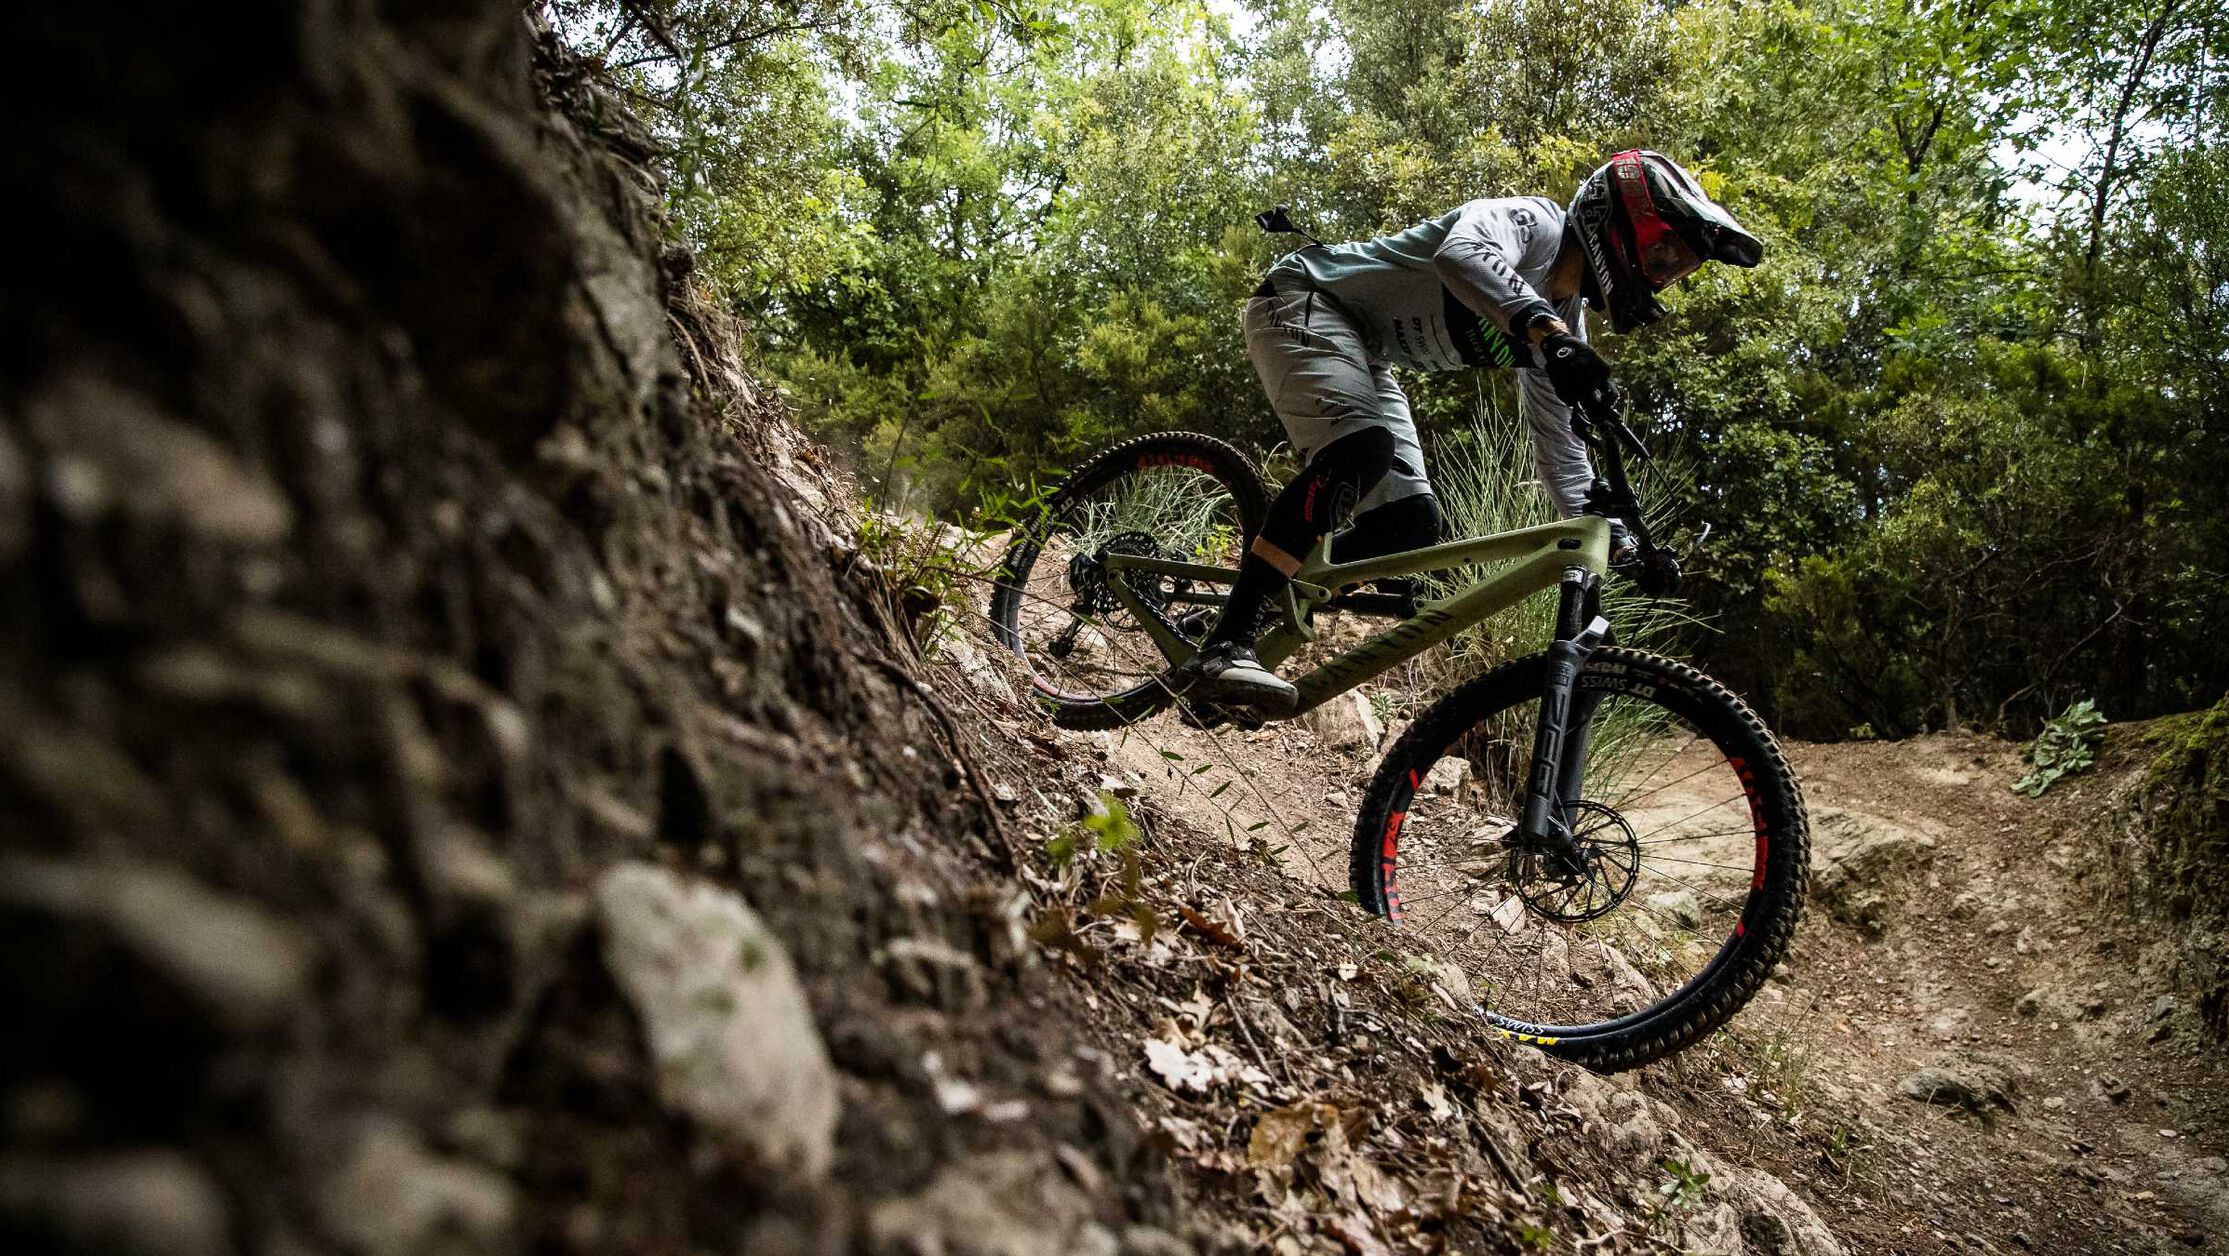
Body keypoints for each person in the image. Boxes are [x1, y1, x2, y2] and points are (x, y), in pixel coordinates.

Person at [1170, 148, 1763, 715]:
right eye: (1663, 257)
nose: (1663, 277)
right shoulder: (1535, 224)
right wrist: (1549, 336)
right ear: (1618, 222)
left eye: (1676, 270)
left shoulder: (1562, 328)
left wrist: (1623, 543)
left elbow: (1564, 460)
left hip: (1365, 349)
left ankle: (1231, 613)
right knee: (1361, 451)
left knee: (1409, 525)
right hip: (1304, 297)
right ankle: (1227, 645)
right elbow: (1462, 254)